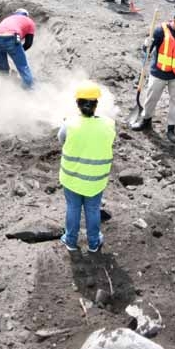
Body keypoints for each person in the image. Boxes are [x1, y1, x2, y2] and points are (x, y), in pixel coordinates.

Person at [57, 82, 114, 254]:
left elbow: (61, 140)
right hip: (96, 180)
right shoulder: (109, 124)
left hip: (72, 178)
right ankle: (94, 243)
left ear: (78, 104)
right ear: (96, 104)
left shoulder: (69, 124)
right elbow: (108, 141)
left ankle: (71, 241)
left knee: (73, 208)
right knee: (93, 209)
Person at [131, 8, 175, 142]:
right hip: (159, 72)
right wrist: (146, 45)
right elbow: (148, 51)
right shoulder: (160, 31)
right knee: (151, 98)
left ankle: (171, 129)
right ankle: (146, 121)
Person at [0, 8, 36, 89]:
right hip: (11, 37)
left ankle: (3, 85)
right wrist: (17, 52)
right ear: (26, 15)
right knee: (22, 66)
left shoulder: (8, 18)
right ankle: (29, 88)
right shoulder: (29, 21)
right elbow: (28, 43)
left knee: (2, 65)